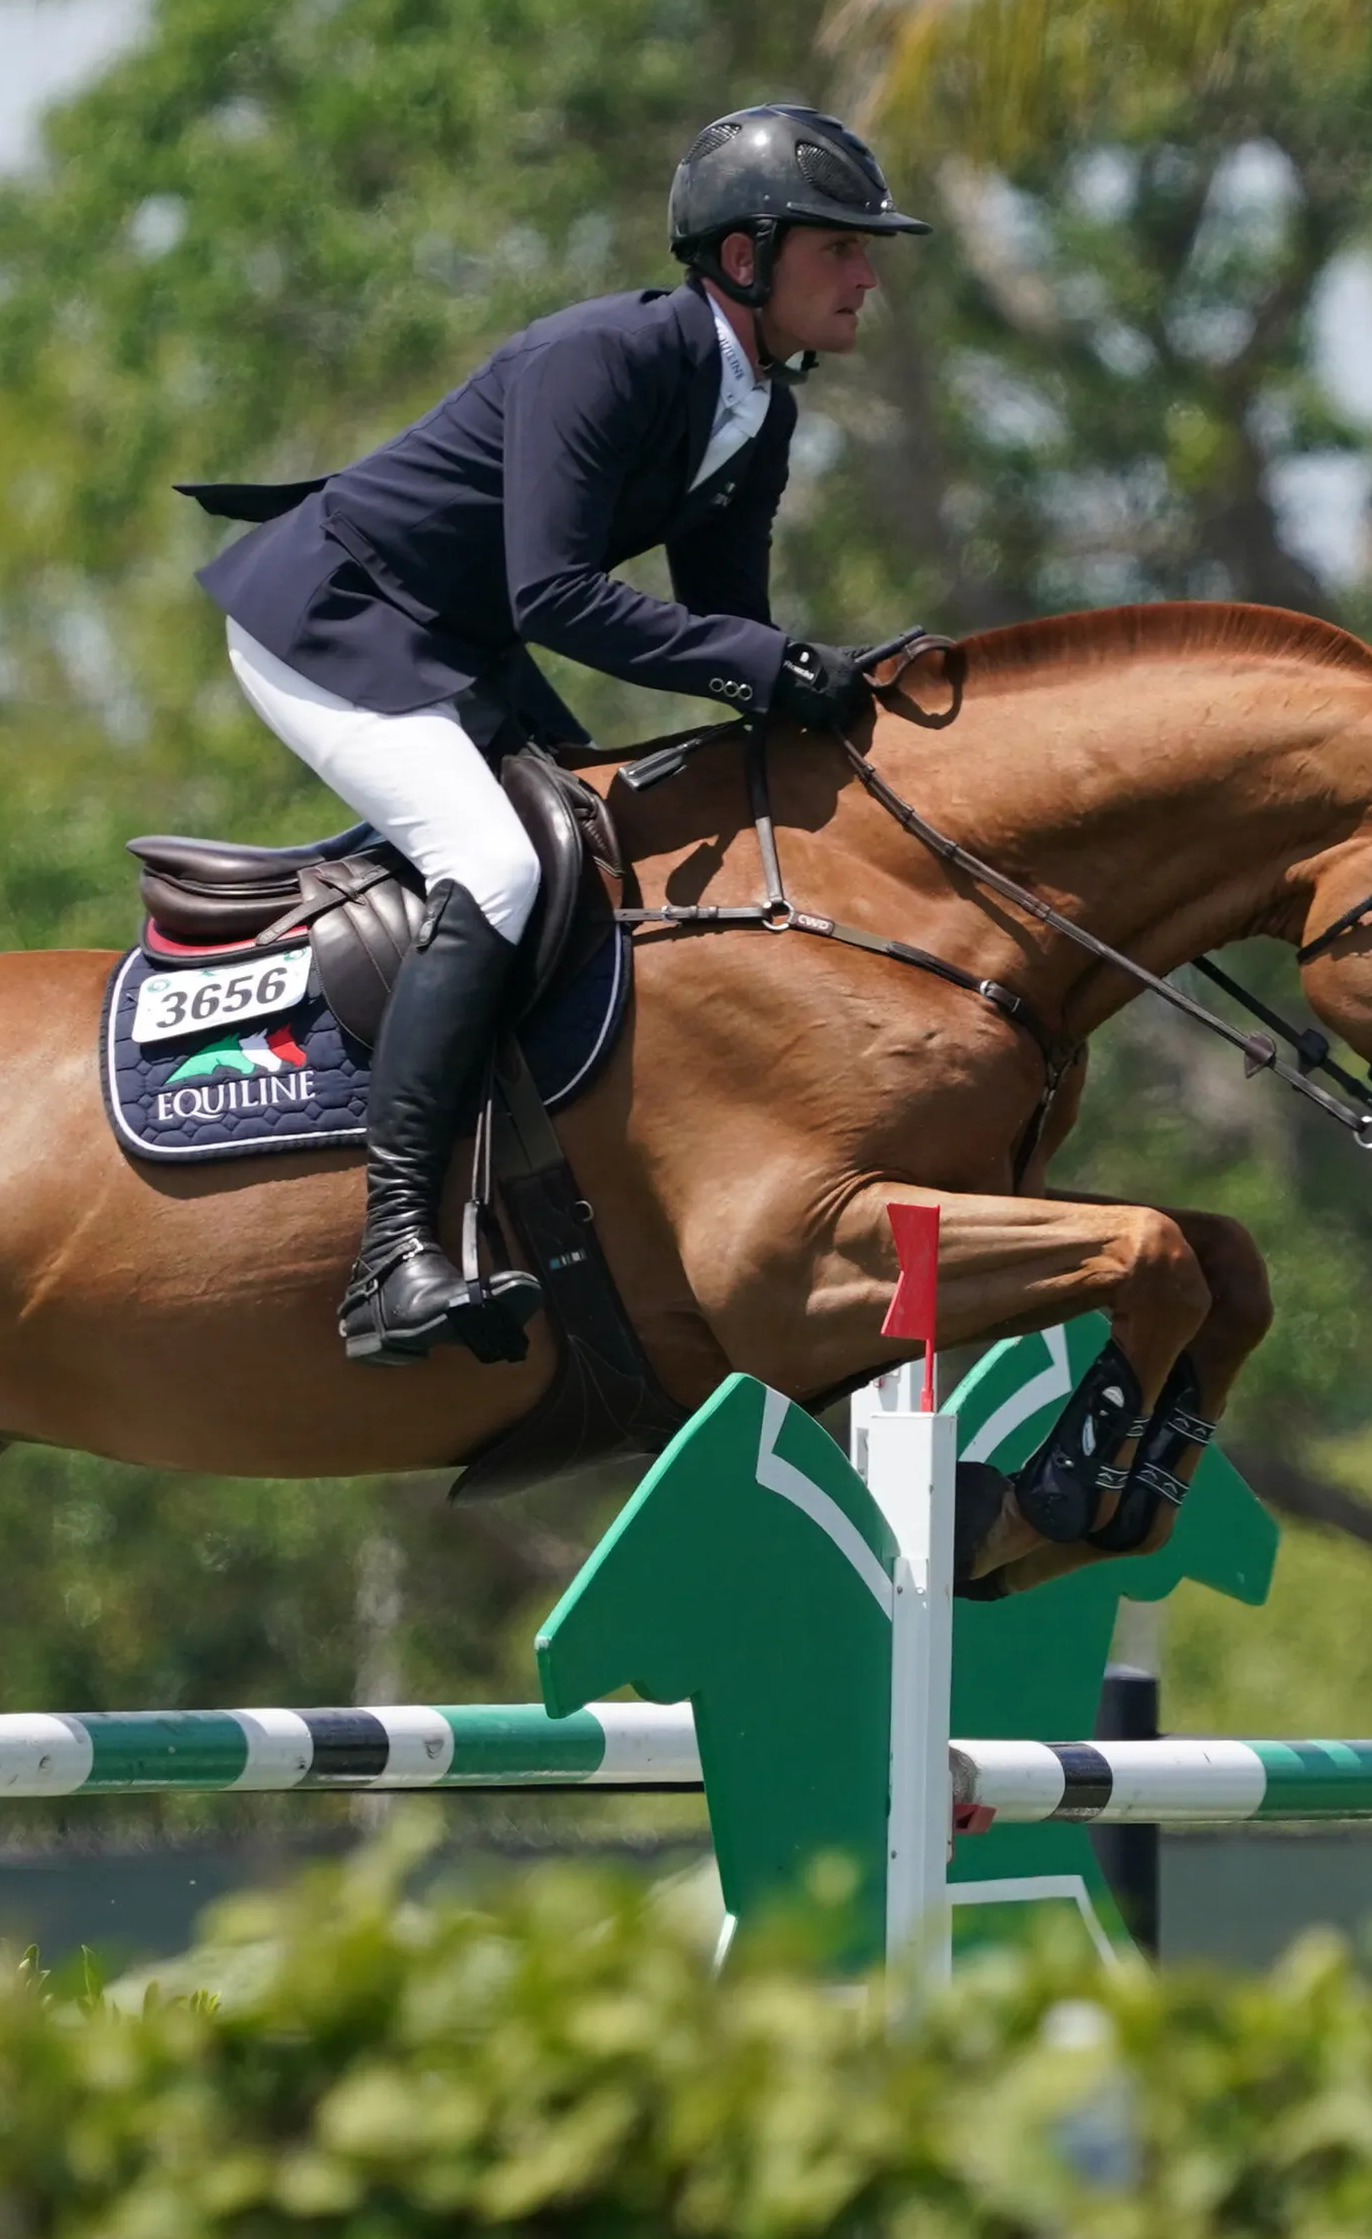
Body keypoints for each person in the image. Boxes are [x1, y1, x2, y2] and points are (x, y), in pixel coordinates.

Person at [180, 103, 917, 1370]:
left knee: (606, 848)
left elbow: (726, 624)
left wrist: (830, 698)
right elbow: (557, 596)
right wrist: (765, 666)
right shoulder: (607, 358)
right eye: (837, 247)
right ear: (744, 258)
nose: (865, 273)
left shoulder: (758, 412)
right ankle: (391, 1254)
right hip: (334, 618)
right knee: (501, 865)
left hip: (455, 643)